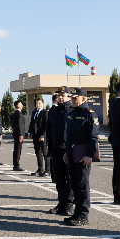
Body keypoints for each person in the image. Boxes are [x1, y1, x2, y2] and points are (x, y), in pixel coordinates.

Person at [63, 88, 99, 226]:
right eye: (71, 98)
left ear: (83, 99)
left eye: (75, 98)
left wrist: (90, 155)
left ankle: (83, 215)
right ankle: (77, 213)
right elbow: (69, 137)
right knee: (74, 184)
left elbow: (93, 137)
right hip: (72, 155)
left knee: (83, 185)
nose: (72, 100)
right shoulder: (72, 114)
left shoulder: (90, 115)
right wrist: (67, 153)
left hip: (83, 156)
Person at [46, 86, 74, 216]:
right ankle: (61, 202)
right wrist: (49, 149)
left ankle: (69, 204)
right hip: (56, 149)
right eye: (59, 95)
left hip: (67, 149)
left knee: (69, 178)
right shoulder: (54, 111)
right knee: (59, 178)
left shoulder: (73, 111)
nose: (60, 97)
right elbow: (49, 131)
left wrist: (70, 150)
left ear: (69, 96)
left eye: (63, 95)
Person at [28, 98, 49, 177]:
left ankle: (47, 170)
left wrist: (43, 135)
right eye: (37, 103)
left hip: (42, 136)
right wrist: (29, 132)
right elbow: (32, 123)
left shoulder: (45, 112)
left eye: (39, 103)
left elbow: (46, 125)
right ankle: (40, 169)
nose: (38, 105)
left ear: (43, 104)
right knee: (38, 153)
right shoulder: (34, 112)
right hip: (35, 135)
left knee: (45, 153)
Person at [11, 100, 25, 171]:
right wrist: (21, 134)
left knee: (16, 149)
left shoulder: (14, 113)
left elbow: (13, 125)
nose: (22, 105)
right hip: (18, 134)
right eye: (21, 104)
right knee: (18, 149)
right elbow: (20, 125)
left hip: (15, 134)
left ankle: (15, 163)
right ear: (18, 105)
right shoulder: (19, 114)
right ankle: (16, 165)